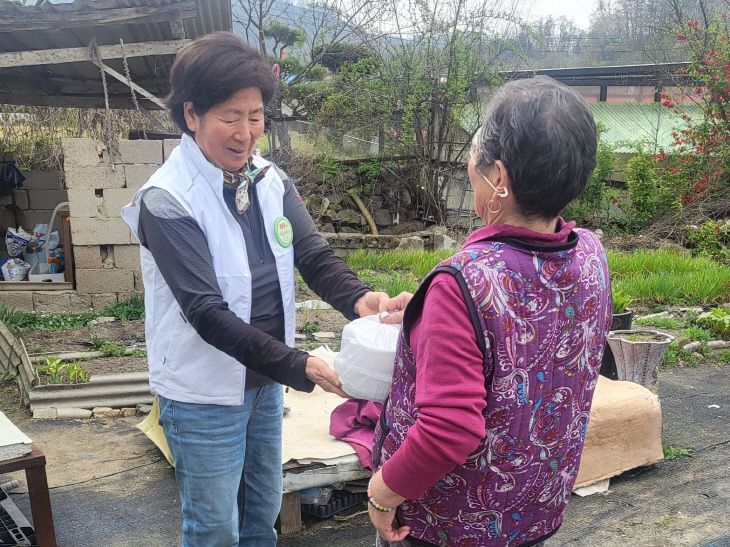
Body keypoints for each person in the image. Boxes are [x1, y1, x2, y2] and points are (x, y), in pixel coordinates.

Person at [121, 32, 388, 546]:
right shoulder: (167, 199)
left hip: (262, 385)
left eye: (256, 115)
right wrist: (298, 364)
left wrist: (362, 301)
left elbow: (313, 256)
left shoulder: (269, 179)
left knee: (261, 514)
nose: (246, 133)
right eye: (231, 117)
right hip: (203, 394)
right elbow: (206, 312)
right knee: (215, 527)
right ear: (192, 115)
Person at [368, 76, 613, 547]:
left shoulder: (461, 284)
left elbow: (449, 429)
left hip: (449, 527)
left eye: (476, 154)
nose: (469, 165)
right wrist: (426, 315)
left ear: (499, 178)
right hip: (533, 513)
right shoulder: (590, 255)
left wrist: (382, 493)